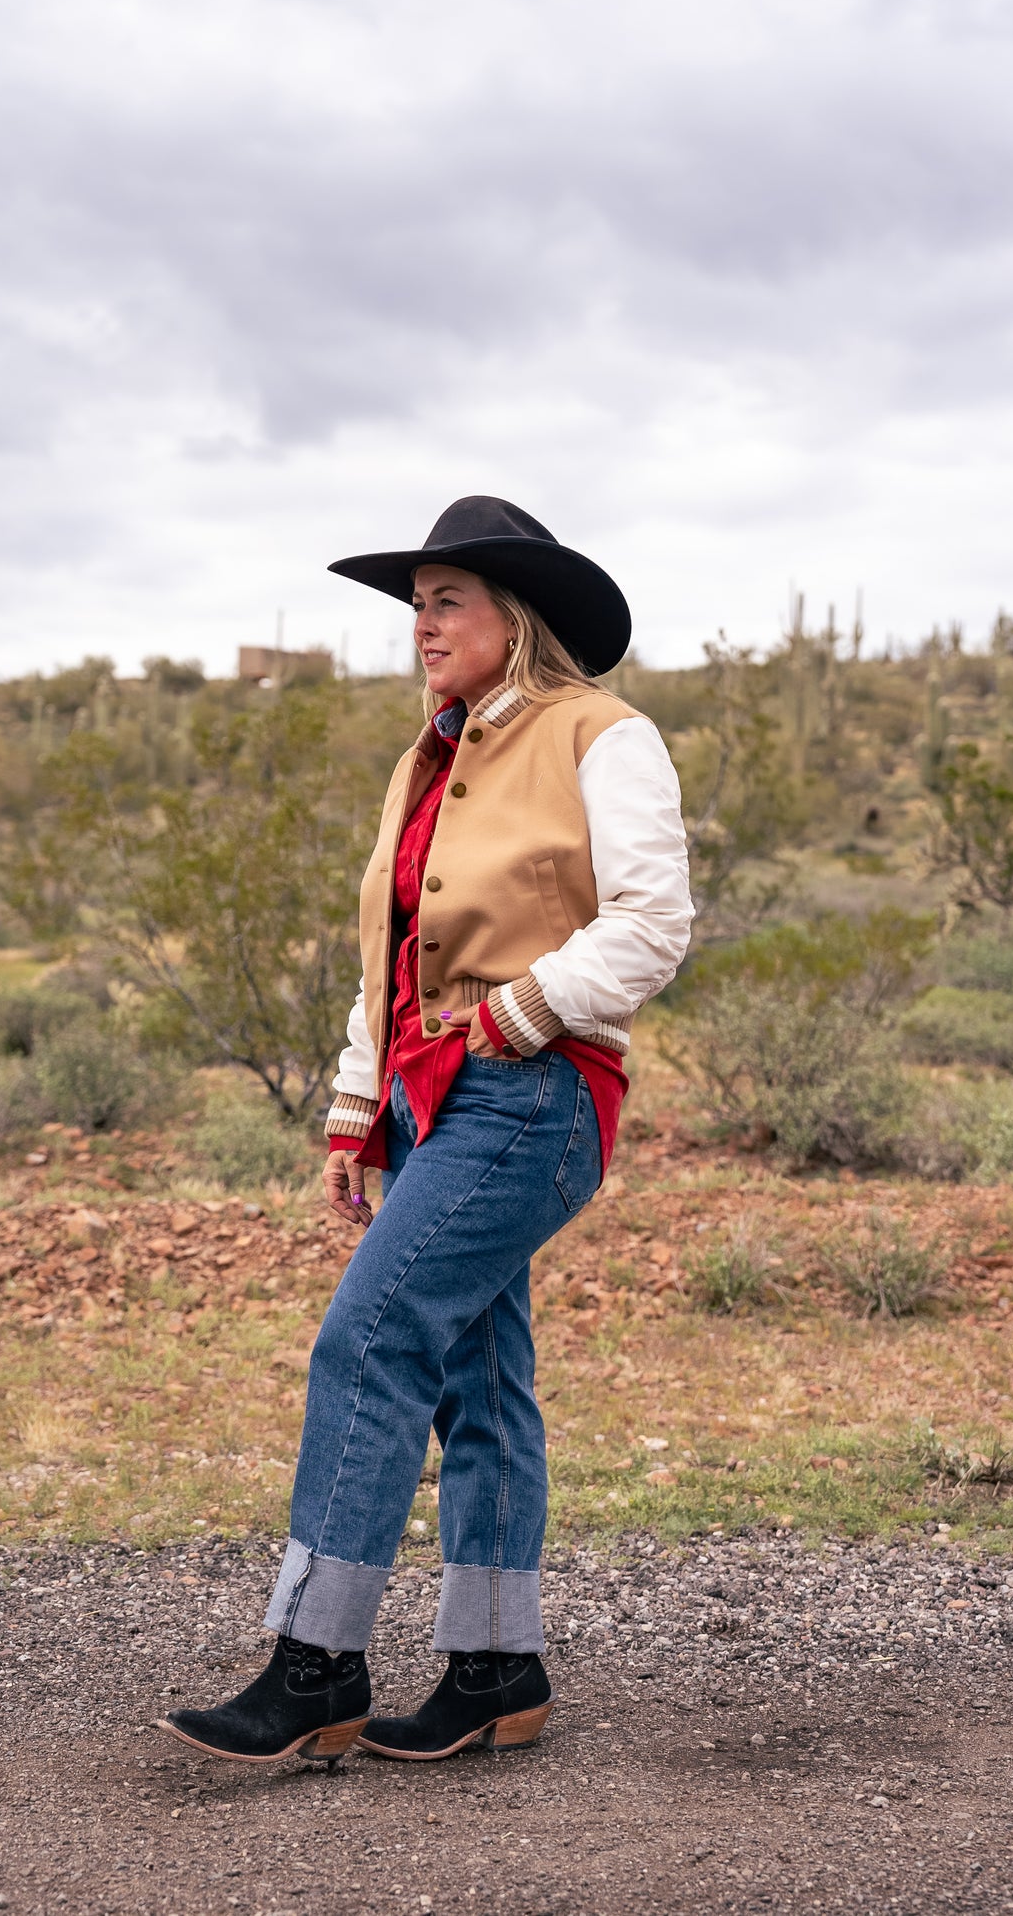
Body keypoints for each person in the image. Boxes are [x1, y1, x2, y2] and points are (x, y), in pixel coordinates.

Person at [162, 496, 692, 1765]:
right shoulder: (427, 758)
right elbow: (390, 953)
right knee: (477, 1379)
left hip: (533, 1091)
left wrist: (521, 1008)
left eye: (445, 598)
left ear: (516, 619)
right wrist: (358, 1103)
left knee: (373, 1335)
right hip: (425, 1101)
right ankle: (497, 1669)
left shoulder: (601, 736)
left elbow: (653, 922)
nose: (420, 623)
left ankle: (315, 1666)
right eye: (415, 602)